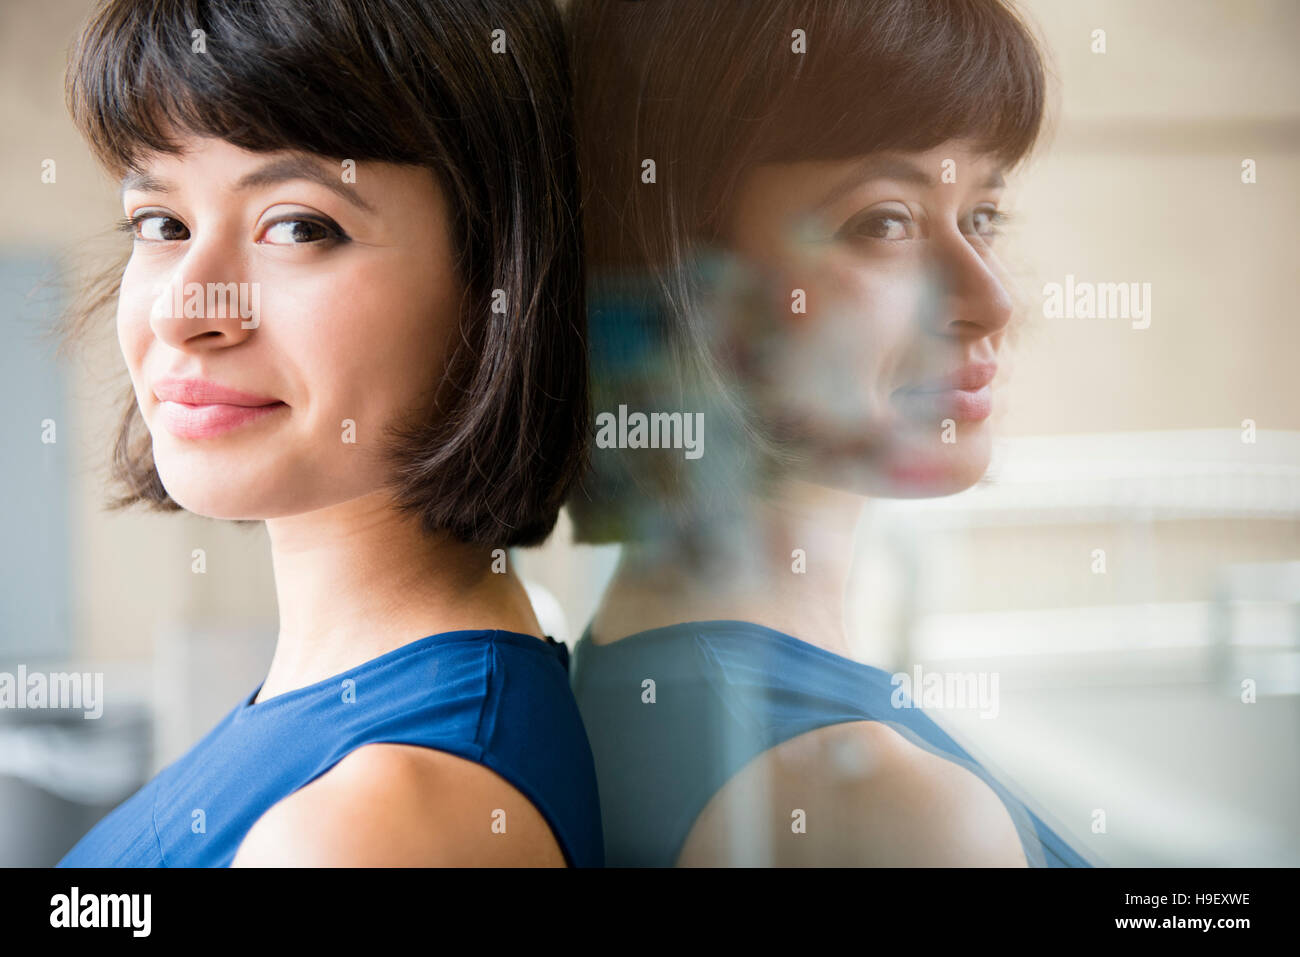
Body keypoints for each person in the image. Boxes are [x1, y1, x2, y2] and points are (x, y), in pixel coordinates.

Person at [55, 0, 601, 867]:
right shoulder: (357, 725)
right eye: (162, 224)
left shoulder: (365, 828)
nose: (184, 309)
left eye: (300, 226)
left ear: (496, 281)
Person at [565, 0, 1096, 866]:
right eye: (884, 221)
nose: (994, 300)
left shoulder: (625, 675)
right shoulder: (880, 811)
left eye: (984, 215)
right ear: (676, 271)